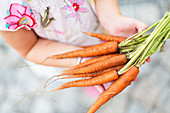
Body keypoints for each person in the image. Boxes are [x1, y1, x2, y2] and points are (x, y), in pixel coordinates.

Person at [0, 0, 151, 93]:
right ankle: (91, 81)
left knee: (109, 61)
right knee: (93, 75)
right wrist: (83, 62)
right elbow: (30, 48)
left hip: (101, 33)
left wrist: (111, 18)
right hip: (65, 59)